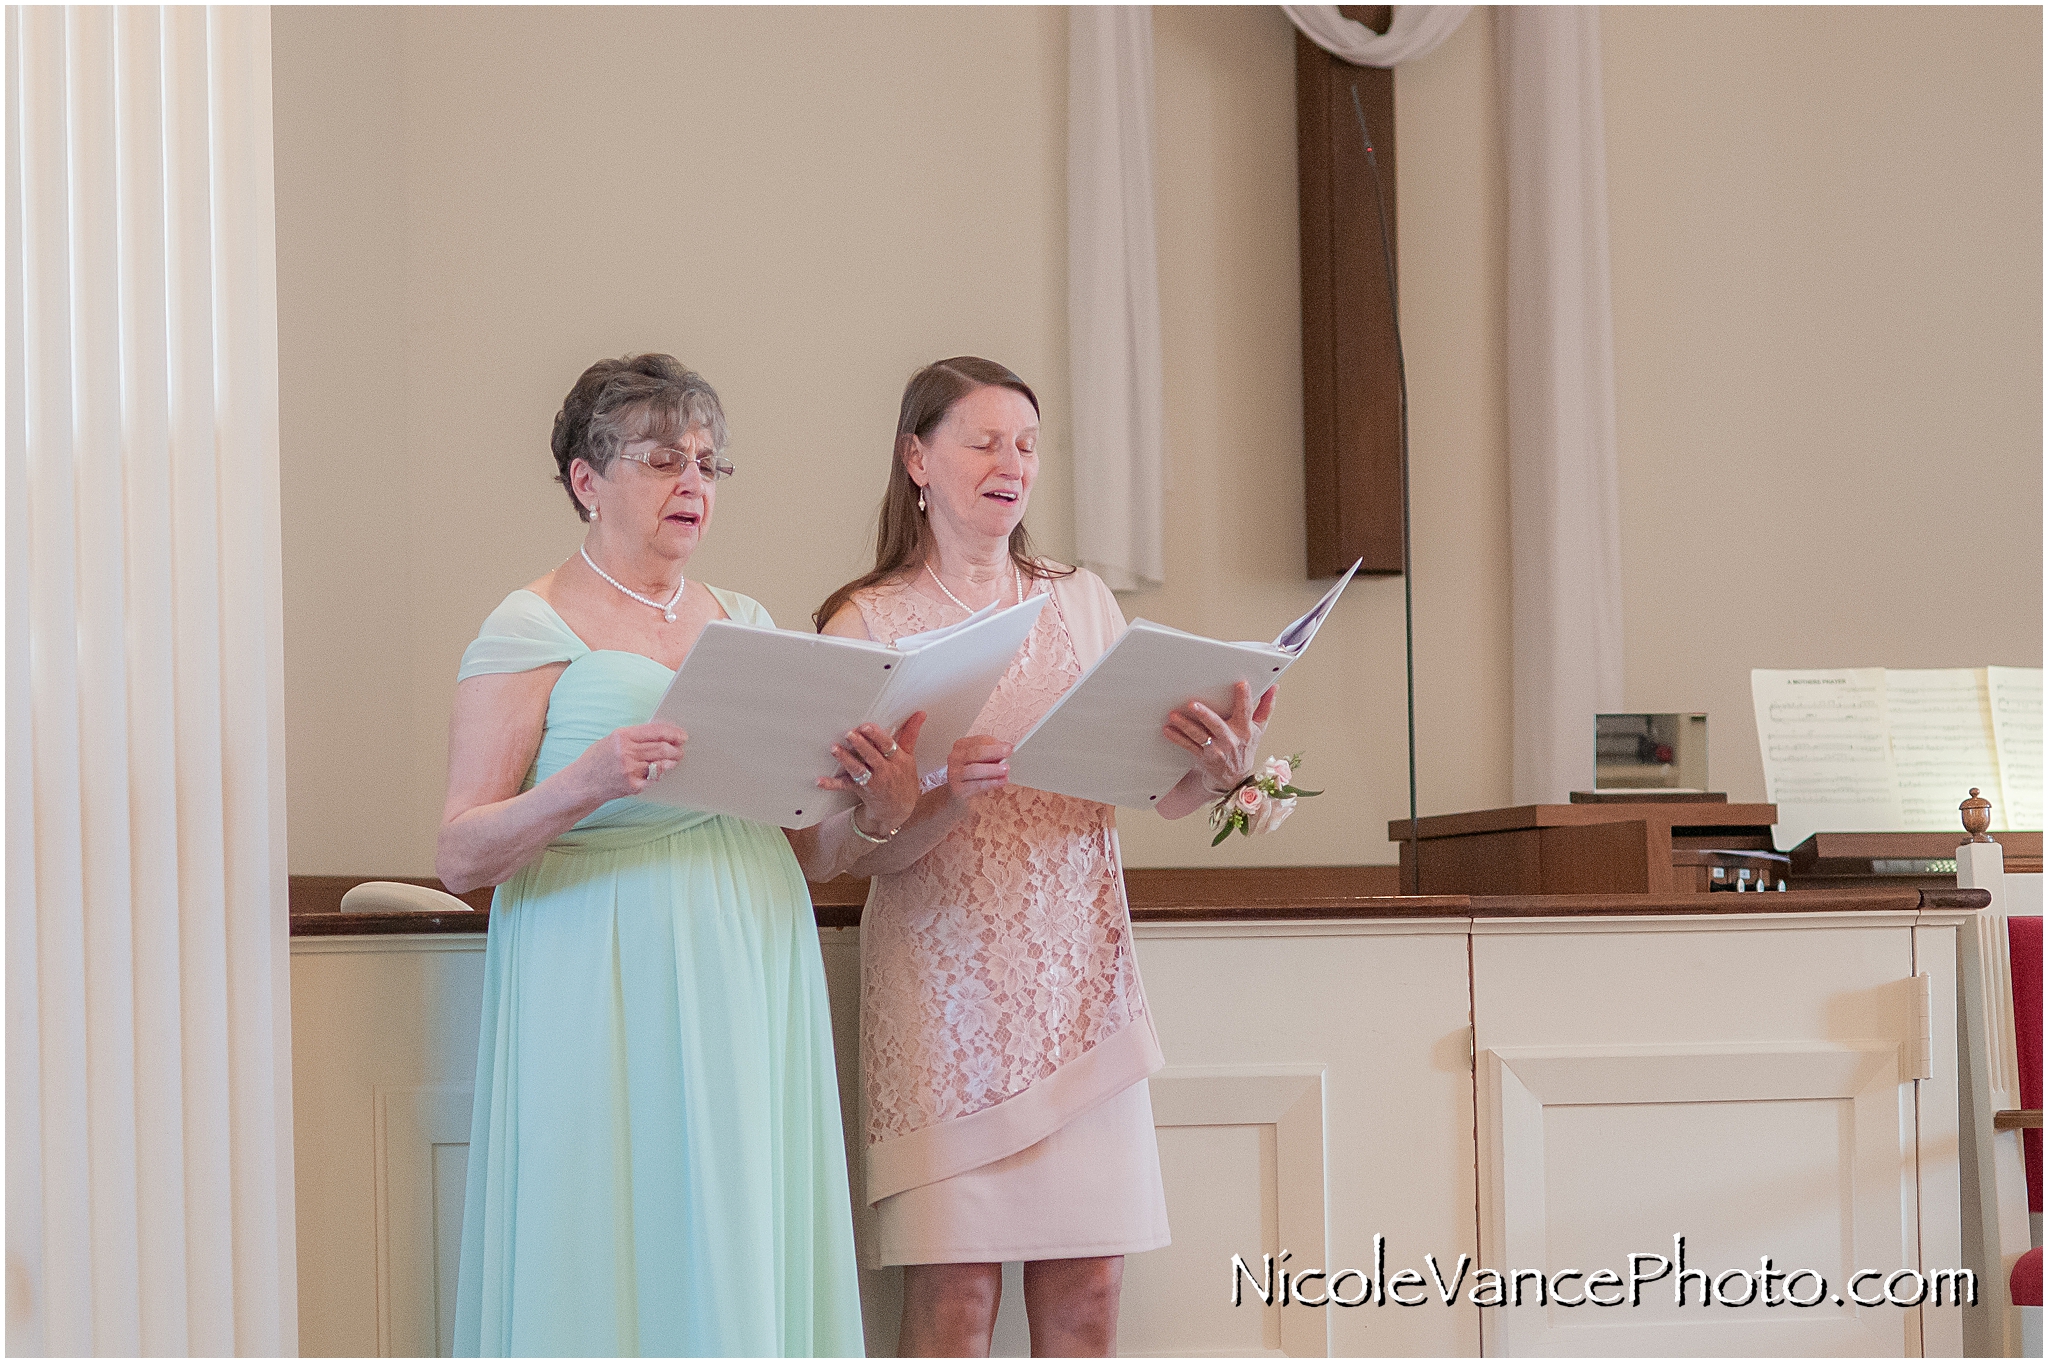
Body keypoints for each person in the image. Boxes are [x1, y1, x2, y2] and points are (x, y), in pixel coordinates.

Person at [799, 357, 1276, 1356]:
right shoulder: (865, 622)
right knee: (955, 1303)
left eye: (1025, 443)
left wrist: (1221, 772)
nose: (1010, 462)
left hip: (1078, 989)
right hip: (943, 1006)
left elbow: (1147, 788)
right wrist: (921, 800)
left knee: (1088, 1302)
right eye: (982, 440)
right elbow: (832, 855)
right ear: (915, 459)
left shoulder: (1080, 601)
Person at [441, 354, 895, 1357]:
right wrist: (584, 783)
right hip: (599, 963)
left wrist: (875, 805)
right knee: (608, 1207)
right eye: (661, 461)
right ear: (585, 479)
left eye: (705, 463)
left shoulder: (749, 624)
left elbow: (811, 850)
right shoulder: (529, 625)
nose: (692, 484)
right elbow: (461, 852)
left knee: (739, 1207)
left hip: (750, 946)